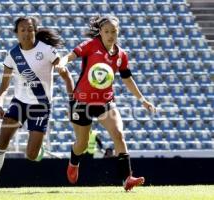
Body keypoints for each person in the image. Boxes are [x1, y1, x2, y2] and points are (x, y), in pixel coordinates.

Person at [58, 16, 156, 191]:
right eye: (107, 31)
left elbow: (127, 79)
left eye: (114, 32)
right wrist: (62, 63)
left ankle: (127, 178)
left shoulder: (121, 55)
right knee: (82, 143)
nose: (110, 35)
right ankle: (74, 161)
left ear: (118, 33)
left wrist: (143, 100)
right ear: (101, 32)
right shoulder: (91, 45)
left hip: (106, 102)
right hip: (82, 101)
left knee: (118, 134)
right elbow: (70, 56)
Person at [0, 16, 74, 192]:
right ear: (16, 33)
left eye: (30, 29)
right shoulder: (12, 55)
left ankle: (39, 148)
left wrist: (72, 101)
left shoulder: (47, 51)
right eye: (22, 29)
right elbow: (4, 85)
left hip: (41, 105)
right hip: (19, 102)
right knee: (2, 141)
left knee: (31, 156)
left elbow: (66, 75)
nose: (26, 33)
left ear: (35, 31)